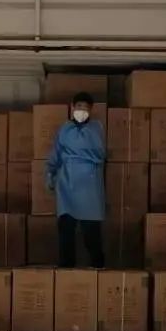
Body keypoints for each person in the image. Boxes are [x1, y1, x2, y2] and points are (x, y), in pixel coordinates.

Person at [45, 92, 106, 268]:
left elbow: (98, 152)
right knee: (66, 228)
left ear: (91, 110)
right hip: (67, 182)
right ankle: (66, 267)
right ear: (72, 107)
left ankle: (98, 266)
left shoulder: (95, 129)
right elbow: (56, 153)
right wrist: (50, 173)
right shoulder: (64, 129)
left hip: (89, 184)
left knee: (91, 230)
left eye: (85, 108)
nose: (82, 110)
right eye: (79, 106)